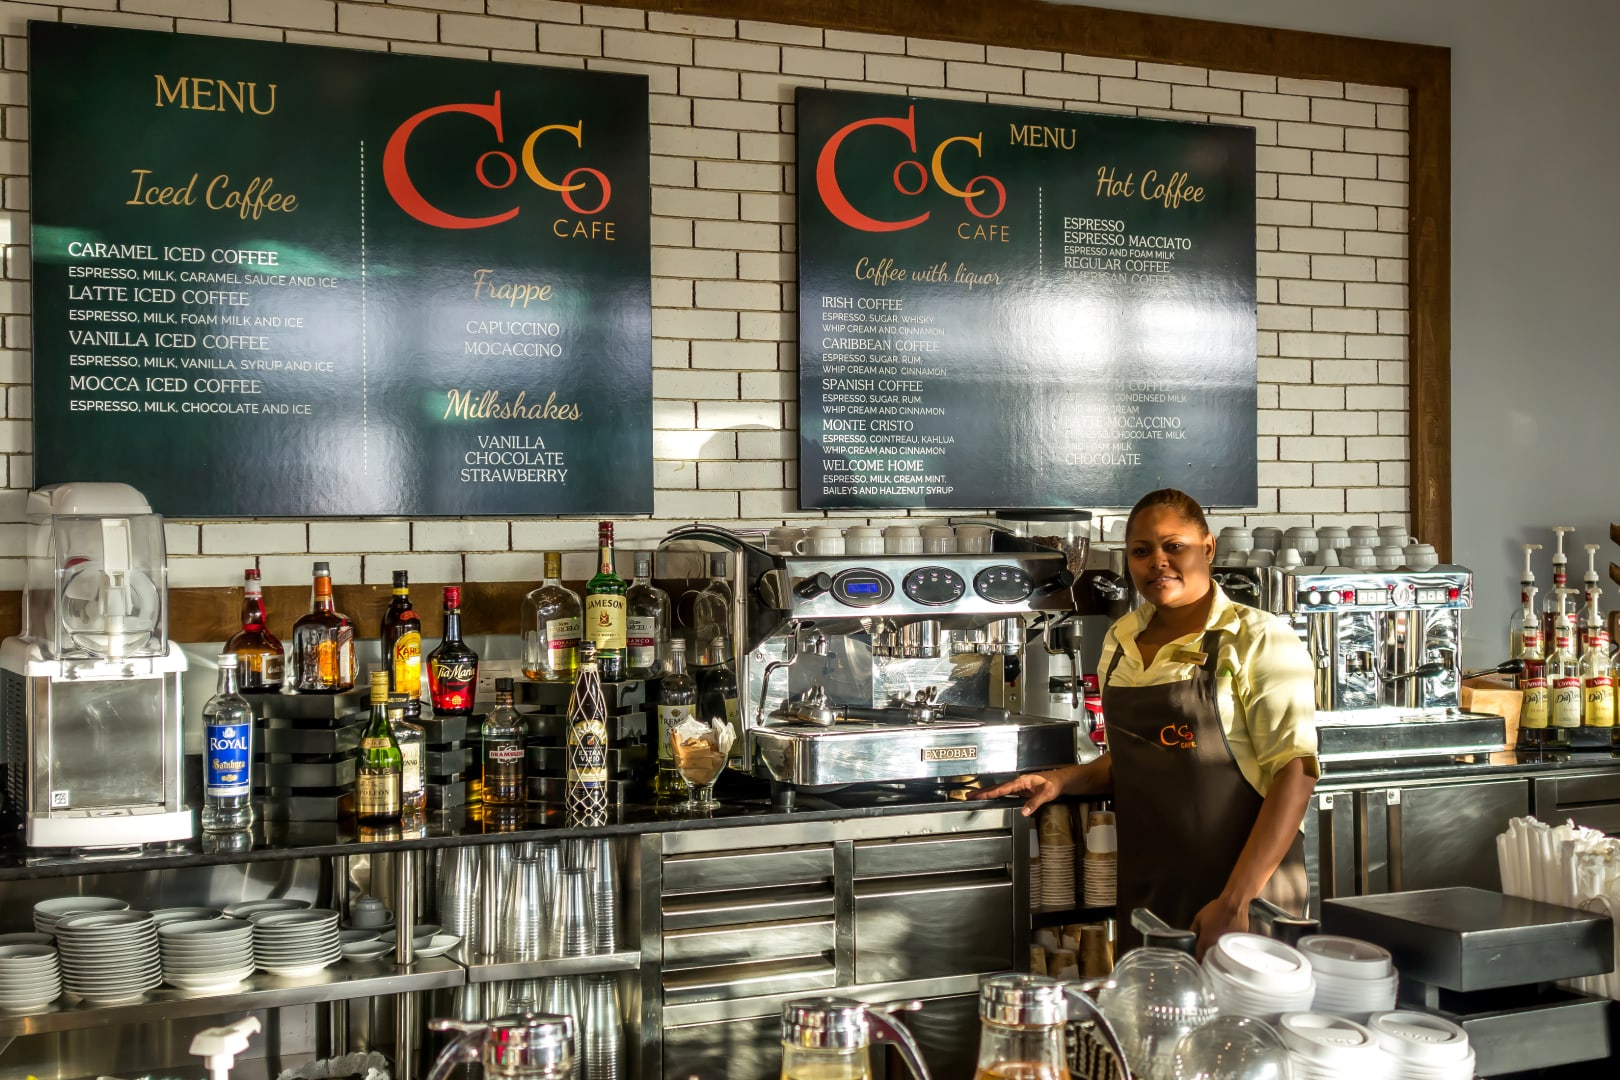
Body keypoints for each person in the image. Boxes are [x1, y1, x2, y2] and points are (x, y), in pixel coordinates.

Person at [973, 489, 1318, 957]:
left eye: (1174, 546)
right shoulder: (1122, 637)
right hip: (1150, 889)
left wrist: (1236, 900)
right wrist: (1062, 780)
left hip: (1243, 890)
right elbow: (1140, 756)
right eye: (1141, 551)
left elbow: (1295, 773)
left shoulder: (1257, 637)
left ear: (1208, 548)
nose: (1158, 562)